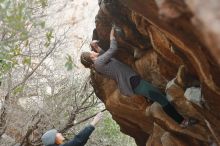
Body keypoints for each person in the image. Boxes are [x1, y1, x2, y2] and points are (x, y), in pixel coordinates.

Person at [80, 26, 198, 128]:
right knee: (162, 99)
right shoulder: (98, 63)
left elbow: (102, 54)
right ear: (90, 57)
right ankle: (183, 122)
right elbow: (112, 49)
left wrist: (95, 46)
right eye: (91, 52)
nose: (93, 52)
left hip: (133, 82)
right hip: (135, 83)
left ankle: (180, 119)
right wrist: (112, 35)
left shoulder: (98, 63)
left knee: (158, 96)